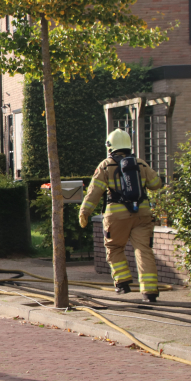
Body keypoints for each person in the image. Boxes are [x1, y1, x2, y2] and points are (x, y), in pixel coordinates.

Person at [78, 129, 163, 302]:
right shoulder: (140, 163)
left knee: (115, 247)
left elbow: (94, 192)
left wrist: (84, 212)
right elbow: (156, 184)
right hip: (142, 214)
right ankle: (149, 292)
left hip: (116, 216)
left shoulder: (105, 165)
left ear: (110, 147)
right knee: (143, 250)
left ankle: (122, 283)